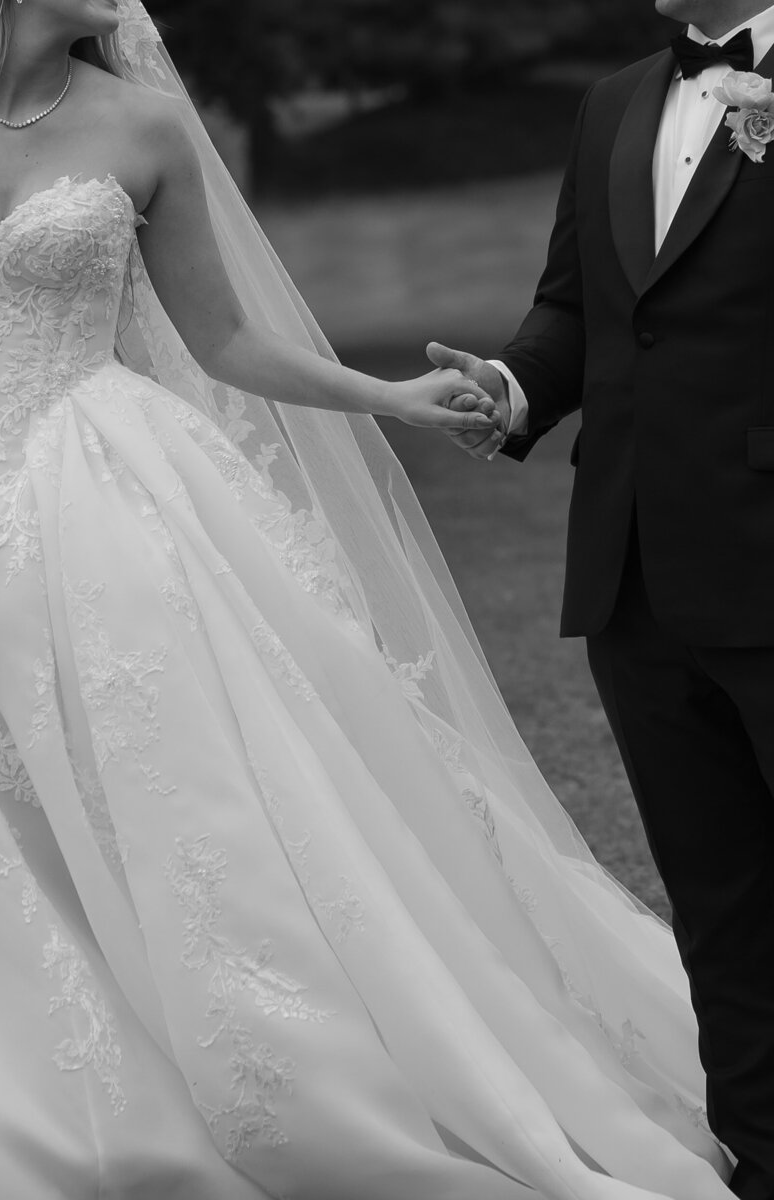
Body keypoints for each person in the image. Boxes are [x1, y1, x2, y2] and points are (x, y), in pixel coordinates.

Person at [0, 1, 744, 1198]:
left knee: (171, 793)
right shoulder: (615, 103)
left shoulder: (146, 126)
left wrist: (387, 397)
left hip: (100, 501)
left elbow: (223, 336)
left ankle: (254, 1076)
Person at [432, 2, 774, 1198]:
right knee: (717, 902)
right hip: (632, 569)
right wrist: (517, 386)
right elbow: (582, 306)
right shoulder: (613, 100)